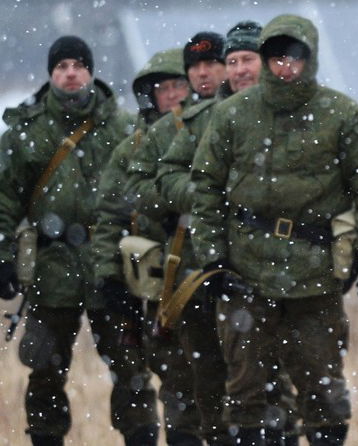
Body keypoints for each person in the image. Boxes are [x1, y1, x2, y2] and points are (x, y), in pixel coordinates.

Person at [189, 14, 358, 446]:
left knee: (323, 391)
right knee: (246, 395)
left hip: (314, 276)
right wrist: (212, 259)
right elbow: (204, 186)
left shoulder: (343, 115)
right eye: (276, 57)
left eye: (294, 57)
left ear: (311, 60)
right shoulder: (231, 115)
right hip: (243, 274)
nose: (285, 66)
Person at [0, 36, 158, 446]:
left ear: (91, 71)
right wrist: (2, 258)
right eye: (61, 66)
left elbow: (147, 192)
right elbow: (3, 201)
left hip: (112, 266)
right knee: (45, 370)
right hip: (52, 270)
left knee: (131, 367)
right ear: (51, 74)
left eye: (78, 65)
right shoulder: (26, 133)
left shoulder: (123, 127)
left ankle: (140, 437)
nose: (70, 73)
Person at [155, 21, 302, 446]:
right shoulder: (202, 121)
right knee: (222, 382)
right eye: (231, 61)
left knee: (282, 382)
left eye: (245, 60)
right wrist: (210, 195)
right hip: (215, 272)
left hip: (285, 268)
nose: (236, 70)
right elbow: (165, 175)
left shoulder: (300, 113)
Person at [89, 48, 206, 446]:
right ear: (149, 96)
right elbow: (109, 219)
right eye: (163, 89)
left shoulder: (210, 132)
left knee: (220, 381)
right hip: (156, 283)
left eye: (179, 85)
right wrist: (110, 279)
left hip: (209, 273)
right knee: (173, 377)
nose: (172, 95)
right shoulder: (132, 150)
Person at [124, 31, 232, 446]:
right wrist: (196, 194)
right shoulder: (169, 130)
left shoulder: (246, 117)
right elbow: (138, 187)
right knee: (190, 377)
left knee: (250, 378)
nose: (203, 74)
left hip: (244, 266)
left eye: (210, 64)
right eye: (194, 68)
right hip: (184, 272)